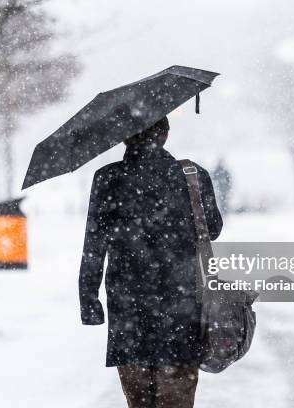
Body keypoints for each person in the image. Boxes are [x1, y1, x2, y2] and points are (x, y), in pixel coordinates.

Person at [78, 116, 222, 408]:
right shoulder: (192, 175)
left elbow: (93, 244)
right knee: (177, 396)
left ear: (123, 138)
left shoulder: (108, 178)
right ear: (166, 135)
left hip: (128, 310)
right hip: (181, 307)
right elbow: (214, 229)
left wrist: (89, 300)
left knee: (139, 399)